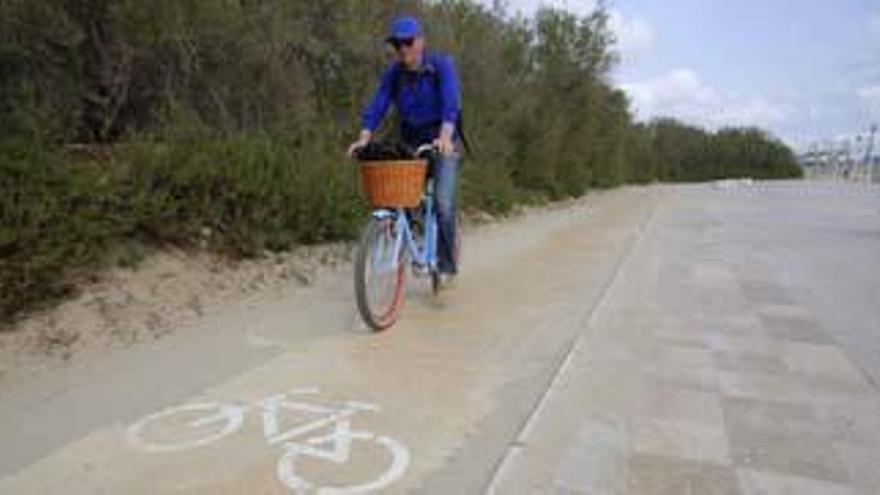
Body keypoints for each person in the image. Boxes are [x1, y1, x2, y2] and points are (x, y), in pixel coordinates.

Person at [348, 15, 462, 280]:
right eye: (397, 44)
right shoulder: (394, 74)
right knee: (401, 197)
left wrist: (445, 135)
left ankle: (446, 265)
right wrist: (364, 137)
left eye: (408, 42)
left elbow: (451, 102)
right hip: (411, 142)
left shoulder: (441, 66)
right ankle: (409, 240)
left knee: (443, 204)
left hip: (442, 141)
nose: (403, 49)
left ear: (421, 41)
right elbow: (378, 104)